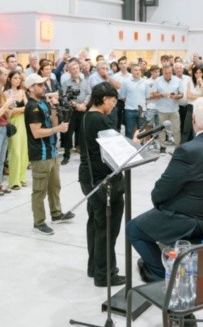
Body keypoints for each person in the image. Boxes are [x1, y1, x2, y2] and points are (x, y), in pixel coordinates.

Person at [126, 97, 203, 282]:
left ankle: (162, 276)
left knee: (133, 228)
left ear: (193, 120)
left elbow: (160, 192)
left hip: (196, 222)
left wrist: (161, 206)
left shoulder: (188, 150)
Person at [79, 82, 126, 287]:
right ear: (104, 99)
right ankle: (105, 274)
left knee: (96, 225)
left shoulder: (86, 116)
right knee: (107, 229)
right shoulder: (100, 119)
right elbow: (117, 148)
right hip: (102, 181)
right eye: (113, 101)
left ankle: (95, 268)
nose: (114, 106)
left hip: (88, 178)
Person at [24, 73, 73, 235]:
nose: (43, 87)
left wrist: (53, 108)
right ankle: (39, 223)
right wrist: (57, 129)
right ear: (31, 88)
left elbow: (52, 122)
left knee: (54, 186)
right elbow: (36, 132)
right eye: (39, 85)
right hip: (41, 154)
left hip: (51, 152)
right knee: (39, 191)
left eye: (43, 84)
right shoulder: (32, 107)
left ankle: (56, 213)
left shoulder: (43, 103)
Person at [5, 72, 28, 189]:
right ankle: (14, 181)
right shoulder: (6, 93)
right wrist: (21, 109)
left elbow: (28, 107)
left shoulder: (22, 92)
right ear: (9, 79)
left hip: (23, 122)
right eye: (15, 78)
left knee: (24, 151)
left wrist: (18, 110)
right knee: (15, 152)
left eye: (19, 78)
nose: (18, 80)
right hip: (13, 123)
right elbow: (8, 111)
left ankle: (22, 178)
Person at [183, 65, 203, 142]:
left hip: (200, 108)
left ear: (202, 73)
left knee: (197, 129)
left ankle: (198, 145)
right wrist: (199, 96)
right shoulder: (189, 82)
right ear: (194, 73)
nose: (198, 74)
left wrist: (200, 84)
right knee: (186, 129)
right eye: (196, 73)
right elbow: (188, 96)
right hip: (191, 107)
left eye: (200, 72)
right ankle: (183, 146)